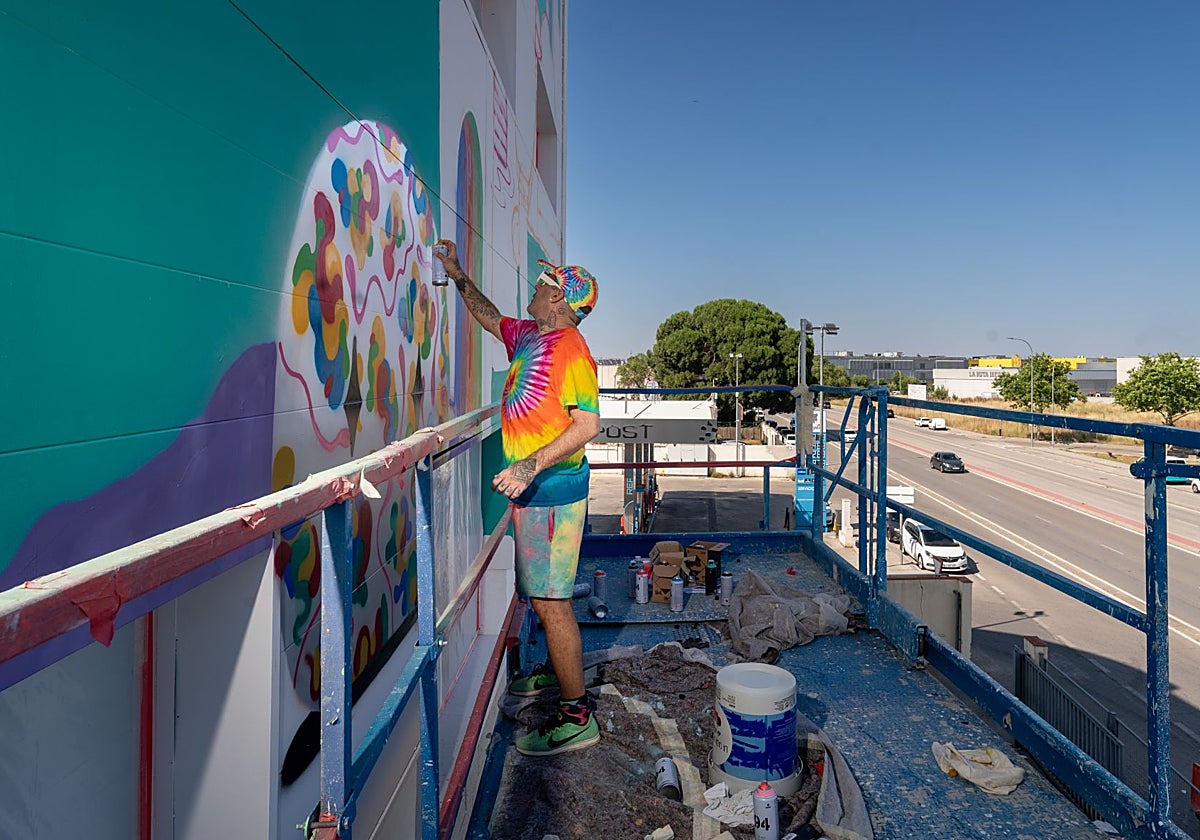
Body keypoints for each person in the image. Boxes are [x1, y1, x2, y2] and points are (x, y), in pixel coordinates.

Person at [434, 240, 601, 756]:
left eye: (544, 284)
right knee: (542, 597)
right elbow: (489, 318)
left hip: (552, 495)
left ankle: (577, 716)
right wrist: (458, 275)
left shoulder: (572, 349)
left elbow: (589, 425)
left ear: (559, 300)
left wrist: (530, 463)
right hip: (532, 496)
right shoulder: (530, 334)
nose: (536, 287)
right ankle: (557, 673)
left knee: (552, 605)